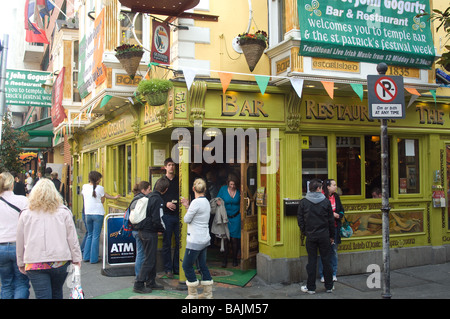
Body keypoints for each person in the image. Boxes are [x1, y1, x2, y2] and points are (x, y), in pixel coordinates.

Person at [16, 178, 82, 299]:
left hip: (34, 262)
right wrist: (76, 258)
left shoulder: (25, 214)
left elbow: (20, 240)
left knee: (42, 295)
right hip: (60, 261)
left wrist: (20, 262)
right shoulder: (64, 212)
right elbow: (72, 238)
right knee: (57, 292)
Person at [297, 178, 335, 294]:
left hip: (311, 236)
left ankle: (311, 287)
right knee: (326, 261)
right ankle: (329, 286)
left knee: (311, 261)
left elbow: (300, 220)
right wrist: (331, 236)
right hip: (324, 235)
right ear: (318, 189)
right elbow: (330, 221)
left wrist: (305, 231)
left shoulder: (304, 202)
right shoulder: (326, 202)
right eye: (321, 187)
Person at [133, 178, 168, 294]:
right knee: (149, 259)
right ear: (165, 189)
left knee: (150, 257)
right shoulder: (157, 199)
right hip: (149, 232)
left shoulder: (149, 197)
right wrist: (161, 229)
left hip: (142, 230)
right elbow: (156, 219)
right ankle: (139, 283)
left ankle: (150, 282)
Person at [180, 178, 214, 299]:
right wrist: (188, 205)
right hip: (204, 239)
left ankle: (193, 294)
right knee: (202, 265)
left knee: (186, 265)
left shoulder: (195, 202)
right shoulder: (206, 201)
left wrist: (187, 206)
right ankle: (207, 294)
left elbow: (187, 219)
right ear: (204, 189)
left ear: (193, 189)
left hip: (195, 240)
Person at [0, 172, 30, 299]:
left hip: (1, 246)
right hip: (19, 246)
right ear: (12, 184)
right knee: (21, 283)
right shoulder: (23, 201)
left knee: (6, 284)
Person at [81, 171, 120, 264]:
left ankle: (86, 256)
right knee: (96, 236)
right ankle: (94, 259)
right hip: (98, 213)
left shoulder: (84, 187)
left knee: (90, 234)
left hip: (87, 213)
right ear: (97, 179)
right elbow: (103, 199)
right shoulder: (100, 188)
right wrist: (114, 197)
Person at [319, 179, 344, 283]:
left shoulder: (336, 197)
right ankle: (323, 274)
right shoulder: (321, 197)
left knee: (333, 251)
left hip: (335, 227)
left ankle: (333, 273)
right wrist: (332, 214)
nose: (335, 186)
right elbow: (320, 212)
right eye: (334, 185)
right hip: (324, 229)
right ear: (328, 186)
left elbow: (341, 209)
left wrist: (339, 215)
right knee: (323, 252)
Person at [161, 158, 180, 278]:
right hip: (166, 216)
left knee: (180, 243)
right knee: (166, 243)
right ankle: (168, 269)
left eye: (173, 165)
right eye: (169, 165)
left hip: (178, 216)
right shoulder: (161, 181)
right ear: (165, 167)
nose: (171, 167)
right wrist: (166, 203)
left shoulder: (180, 180)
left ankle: (177, 268)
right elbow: (156, 197)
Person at [217, 174, 241, 267]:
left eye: (234, 185)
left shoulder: (239, 190)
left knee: (235, 240)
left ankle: (235, 259)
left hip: (236, 217)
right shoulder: (223, 189)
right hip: (225, 218)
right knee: (226, 240)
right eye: (231, 184)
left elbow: (244, 201)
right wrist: (218, 201)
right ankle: (225, 260)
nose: (232, 186)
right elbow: (217, 199)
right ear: (228, 183)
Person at [130, 181, 152, 277]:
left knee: (140, 253)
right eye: (149, 189)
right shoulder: (142, 200)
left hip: (135, 229)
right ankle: (140, 276)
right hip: (140, 230)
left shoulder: (135, 199)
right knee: (142, 254)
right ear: (143, 190)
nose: (151, 191)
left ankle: (139, 275)